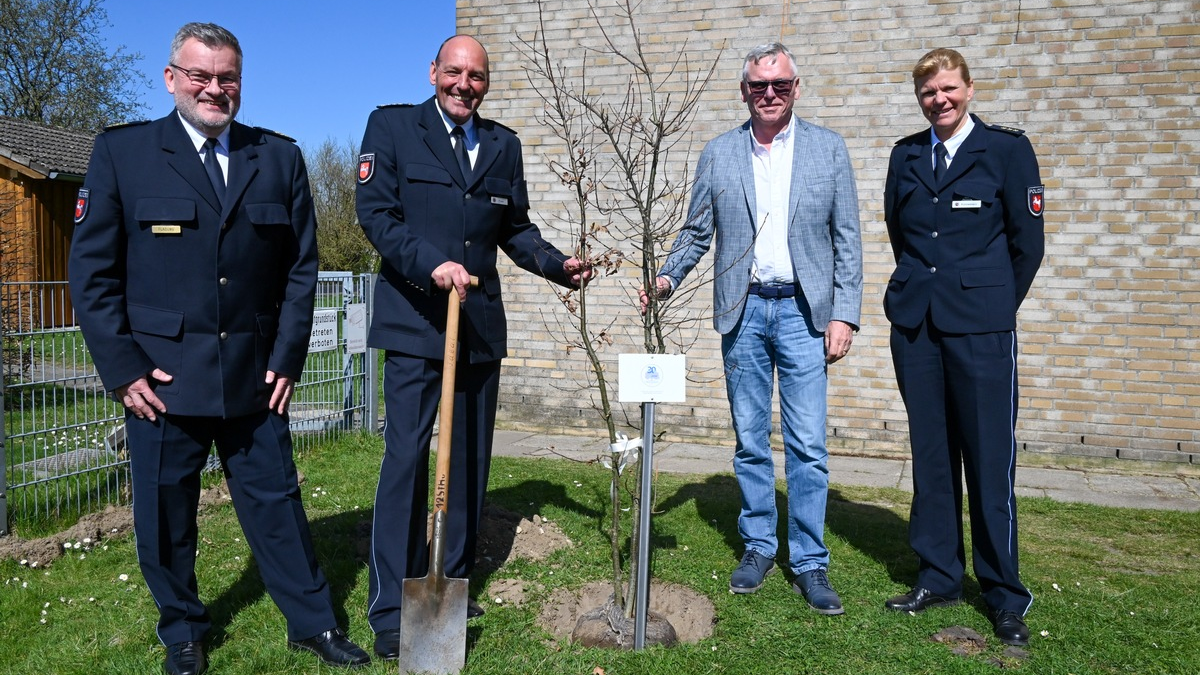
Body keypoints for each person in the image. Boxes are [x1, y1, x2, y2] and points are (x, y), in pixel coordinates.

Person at [68, 22, 370, 675]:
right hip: (162, 378)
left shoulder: (279, 157)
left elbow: (300, 269)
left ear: (240, 81)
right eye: (200, 75)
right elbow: (92, 276)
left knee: (279, 506)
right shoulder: (124, 154)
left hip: (255, 377)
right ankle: (181, 627)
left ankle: (312, 622)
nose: (214, 88)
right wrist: (122, 369)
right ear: (172, 76)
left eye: (226, 76)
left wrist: (287, 356)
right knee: (165, 514)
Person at [355, 34, 591, 661]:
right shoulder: (394, 128)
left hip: (477, 327)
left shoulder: (503, 145)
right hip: (416, 323)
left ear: (487, 82)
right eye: (454, 72)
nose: (464, 85)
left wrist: (556, 264)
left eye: (476, 77)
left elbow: (515, 229)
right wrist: (430, 265)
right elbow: (377, 215)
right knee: (406, 461)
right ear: (433, 71)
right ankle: (388, 604)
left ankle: (449, 583)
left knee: (467, 465)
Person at [642, 42, 862, 614]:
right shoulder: (719, 153)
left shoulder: (828, 150)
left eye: (780, 86)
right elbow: (695, 232)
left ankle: (810, 561)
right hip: (742, 313)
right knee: (749, 441)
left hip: (804, 314)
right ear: (744, 90)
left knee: (808, 446)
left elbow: (848, 241)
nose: (770, 94)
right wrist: (665, 279)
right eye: (759, 86)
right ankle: (760, 545)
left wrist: (845, 313)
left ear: (795, 89)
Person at [881, 48, 1044, 647]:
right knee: (931, 456)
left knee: (988, 461)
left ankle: (1004, 595)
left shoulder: (1005, 151)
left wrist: (991, 304)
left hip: (981, 329)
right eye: (928, 93)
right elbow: (902, 234)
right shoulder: (906, 154)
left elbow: (1028, 246)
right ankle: (940, 574)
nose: (939, 100)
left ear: (969, 89)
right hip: (917, 327)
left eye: (948, 89)